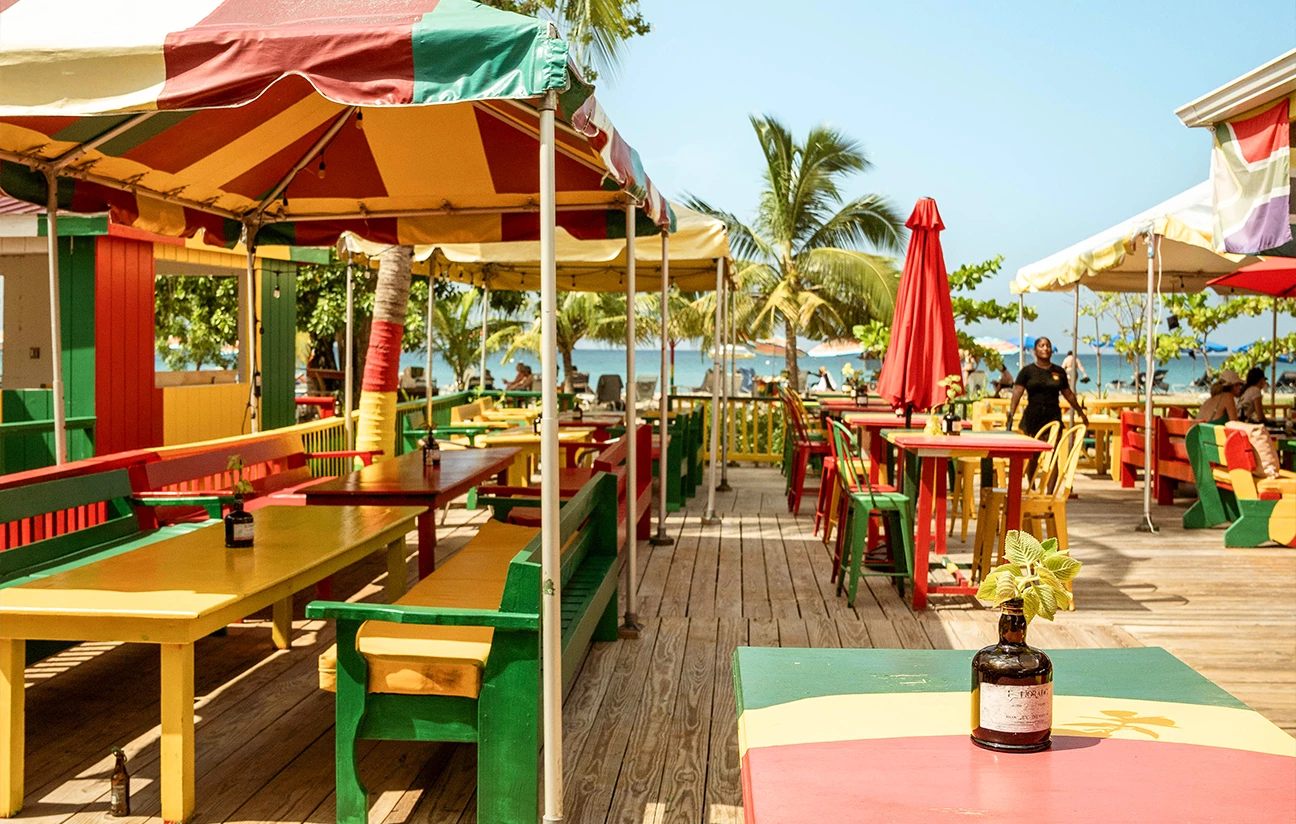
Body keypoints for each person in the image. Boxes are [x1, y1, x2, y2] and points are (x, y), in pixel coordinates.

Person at [1006, 337, 1089, 438]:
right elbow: (1017, 394)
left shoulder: (1059, 371)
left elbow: (1068, 394)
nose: (1045, 348)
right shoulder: (1027, 371)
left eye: (1048, 346)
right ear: (1035, 351)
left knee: (1052, 452)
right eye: (1041, 346)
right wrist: (1011, 415)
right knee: (1033, 452)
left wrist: (1080, 412)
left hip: (1053, 418)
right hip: (1032, 419)